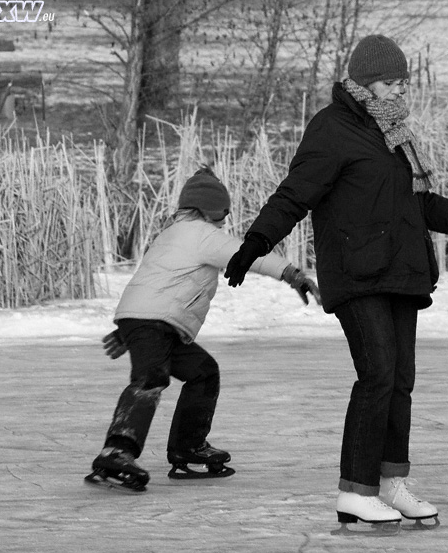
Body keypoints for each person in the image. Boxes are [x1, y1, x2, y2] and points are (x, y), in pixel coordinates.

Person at [223, 34, 448, 527]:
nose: (399, 92)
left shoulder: (394, 133)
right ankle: (356, 490)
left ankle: (390, 483)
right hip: (357, 272)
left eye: (403, 83)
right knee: (378, 373)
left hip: (402, 272)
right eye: (391, 83)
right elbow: (295, 193)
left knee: (400, 380)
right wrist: (255, 243)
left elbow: (417, 202)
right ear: (365, 82)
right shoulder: (333, 129)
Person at [86, 166, 320, 491]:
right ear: (212, 209)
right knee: (150, 378)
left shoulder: (170, 233)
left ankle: (188, 446)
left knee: (203, 373)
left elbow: (149, 282)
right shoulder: (202, 234)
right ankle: (117, 451)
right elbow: (246, 255)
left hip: (152, 321)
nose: (225, 219)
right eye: (224, 211)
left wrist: (129, 327)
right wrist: (291, 273)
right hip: (155, 322)